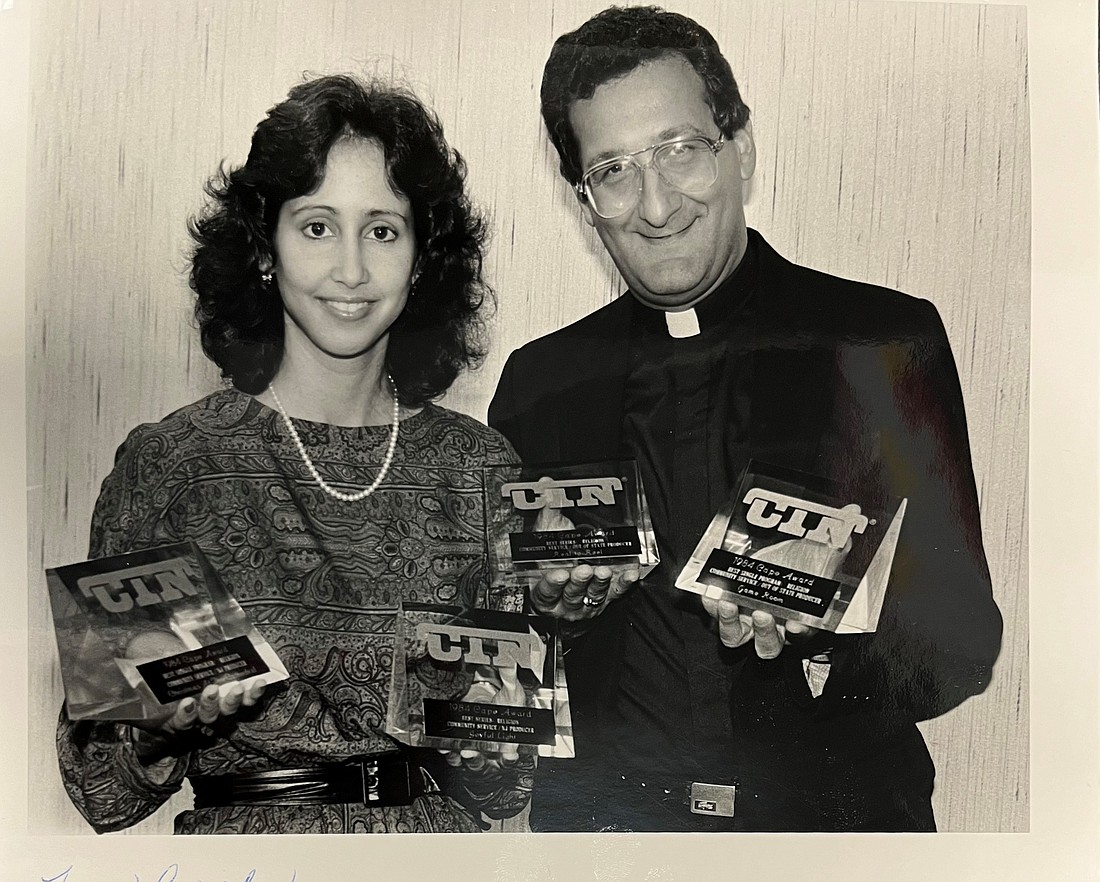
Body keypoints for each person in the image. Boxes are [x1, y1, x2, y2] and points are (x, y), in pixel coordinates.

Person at [488, 6, 1003, 832]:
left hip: (833, 832)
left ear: (742, 150)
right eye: (615, 169)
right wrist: (554, 618)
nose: (656, 205)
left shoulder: (880, 344)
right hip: (606, 842)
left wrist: (830, 643)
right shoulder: (539, 383)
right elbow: (500, 682)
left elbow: (962, 643)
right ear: (585, 202)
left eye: (681, 150)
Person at [56, 74, 532, 835]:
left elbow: (504, 786)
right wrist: (156, 726)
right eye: (316, 227)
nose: (350, 269)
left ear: (421, 260)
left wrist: (494, 736)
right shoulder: (174, 466)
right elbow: (102, 791)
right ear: (265, 248)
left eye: (382, 229)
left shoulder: (481, 469)